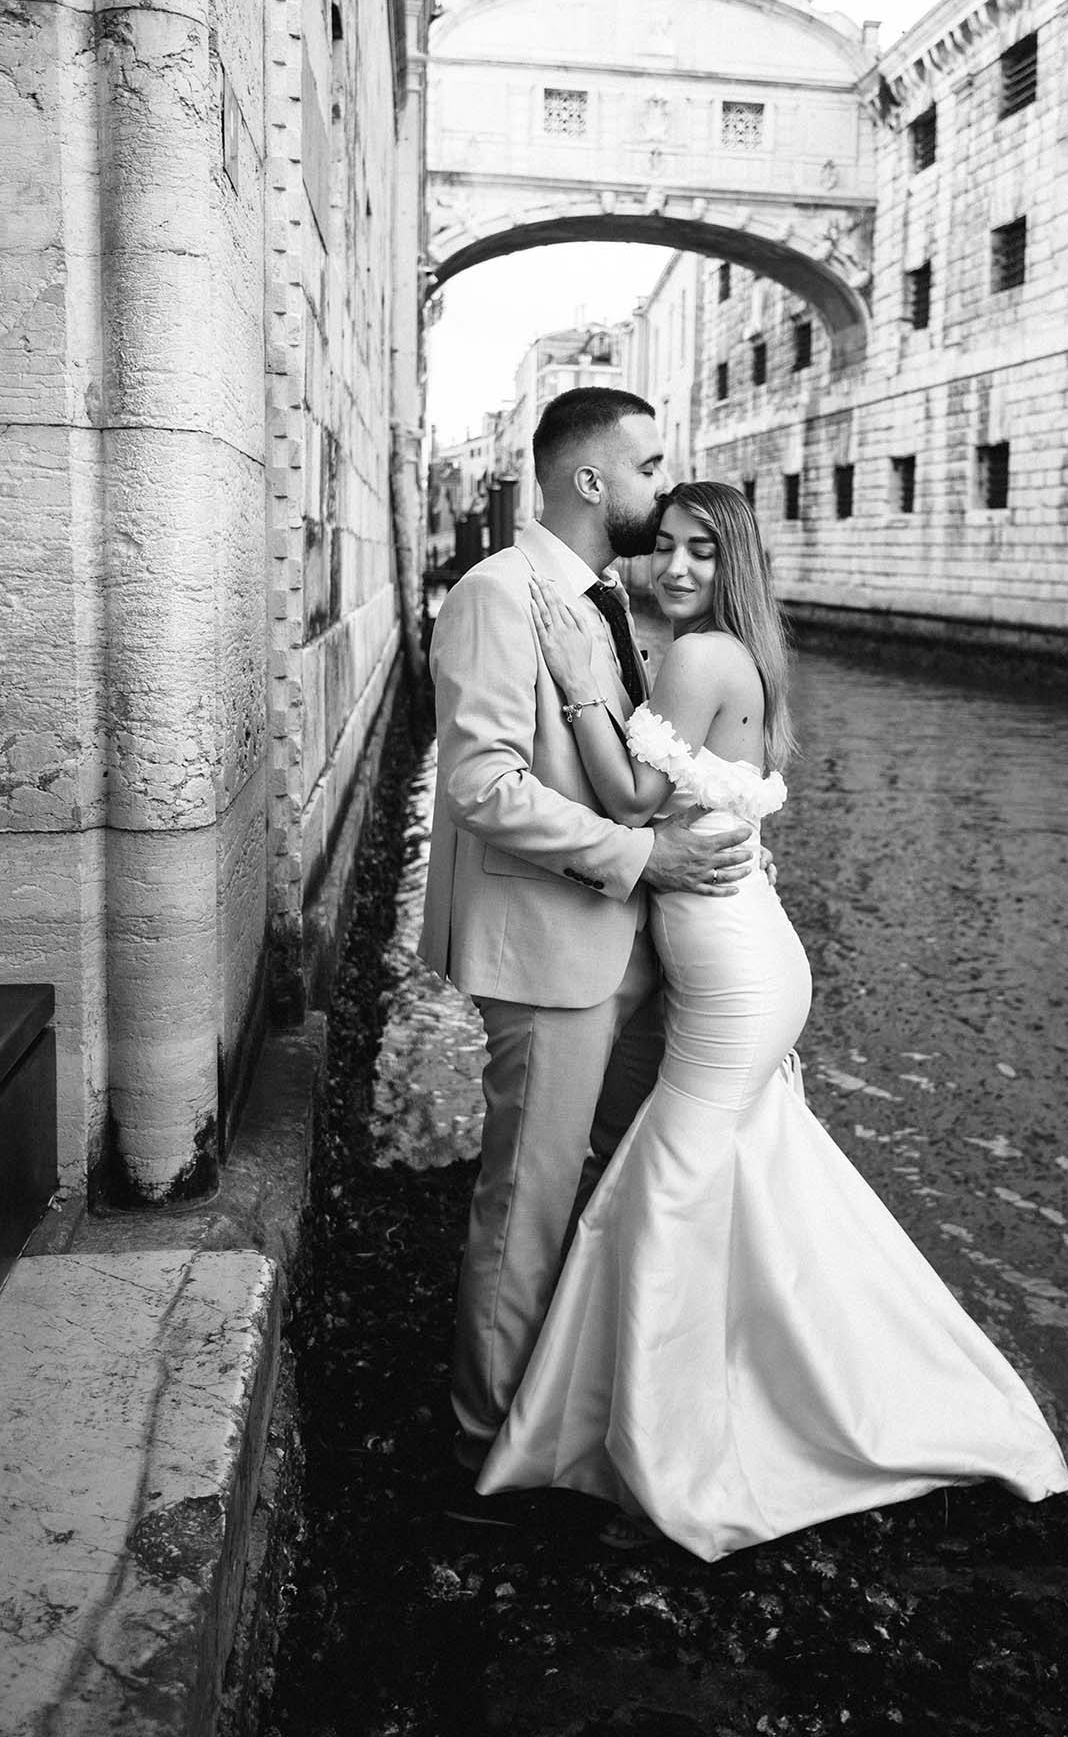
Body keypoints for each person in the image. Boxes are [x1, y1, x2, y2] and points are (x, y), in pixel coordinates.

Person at [476, 480, 1068, 1559]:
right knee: (742, 1174)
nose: (674, 568)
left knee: (664, 1180)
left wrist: (572, 686)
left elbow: (624, 802)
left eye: (701, 551)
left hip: (734, 965)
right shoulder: (731, 657)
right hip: (743, 947)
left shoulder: (701, 658)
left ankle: (669, 1446)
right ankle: (748, 1385)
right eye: (661, 546)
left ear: (734, 563)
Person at [418, 391, 756, 1479]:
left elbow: (637, 769)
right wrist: (641, 859)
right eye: (650, 467)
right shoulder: (494, 591)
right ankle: (485, 1448)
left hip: (619, 943)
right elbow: (479, 782)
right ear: (592, 481)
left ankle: (568, 1406)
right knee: (525, 1204)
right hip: (550, 950)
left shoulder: (603, 597)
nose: (662, 487)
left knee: (612, 1184)